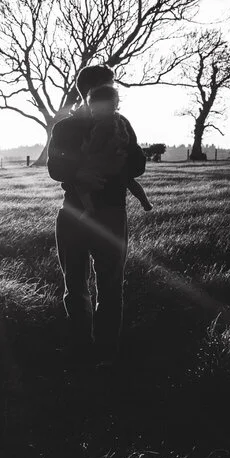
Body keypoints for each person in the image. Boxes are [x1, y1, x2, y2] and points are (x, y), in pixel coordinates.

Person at [47, 65, 147, 372]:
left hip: (91, 212)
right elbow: (55, 168)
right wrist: (81, 172)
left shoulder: (120, 123)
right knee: (85, 285)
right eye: (109, 86)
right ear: (91, 91)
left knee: (89, 286)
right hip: (84, 213)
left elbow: (138, 164)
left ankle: (98, 352)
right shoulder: (66, 127)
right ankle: (93, 351)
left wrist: (113, 161)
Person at [76, 85, 152, 214]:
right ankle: (145, 202)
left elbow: (95, 143)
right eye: (93, 112)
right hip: (119, 161)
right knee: (130, 181)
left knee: (82, 186)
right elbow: (125, 139)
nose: (95, 115)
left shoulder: (102, 125)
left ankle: (89, 208)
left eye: (97, 111)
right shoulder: (119, 120)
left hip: (102, 162)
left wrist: (86, 148)